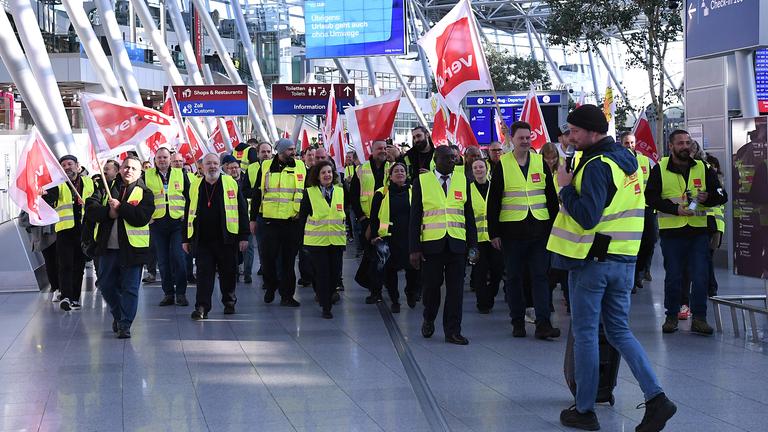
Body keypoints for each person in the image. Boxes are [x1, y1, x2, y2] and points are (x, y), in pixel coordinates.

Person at [548, 105, 676, 431]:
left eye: (575, 131)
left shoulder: (596, 165)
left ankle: (585, 409)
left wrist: (564, 187)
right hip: (624, 260)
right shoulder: (627, 161)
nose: (570, 137)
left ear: (592, 131)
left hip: (593, 262)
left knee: (587, 334)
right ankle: (656, 398)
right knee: (619, 331)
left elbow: (588, 215)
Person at [645, 129, 727, 335]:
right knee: (674, 276)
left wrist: (708, 197)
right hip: (672, 233)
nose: (685, 147)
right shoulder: (660, 168)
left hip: (698, 231)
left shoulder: (703, 167)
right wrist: (675, 209)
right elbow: (650, 198)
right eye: (680, 143)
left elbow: (721, 194)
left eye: (688, 143)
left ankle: (699, 318)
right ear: (671, 146)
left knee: (700, 275)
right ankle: (671, 316)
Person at [488, 121, 561, 340]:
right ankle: (517, 321)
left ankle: (543, 323)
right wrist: (494, 233)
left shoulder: (540, 162)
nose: (526, 141)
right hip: (512, 232)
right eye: (521, 138)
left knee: (540, 276)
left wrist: (554, 227)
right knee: (514, 278)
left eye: (529, 137)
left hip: (539, 229)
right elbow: (494, 201)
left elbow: (550, 198)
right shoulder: (503, 164)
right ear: (512, 139)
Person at [409, 146, 477, 345]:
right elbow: (415, 218)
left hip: (457, 244)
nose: (452, 162)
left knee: (456, 290)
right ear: (436, 159)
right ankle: (429, 318)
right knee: (432, 288)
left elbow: (469, 216)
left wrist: (473, 245)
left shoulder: (463, 180)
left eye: (454, 158)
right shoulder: (422, 181)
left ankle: (453, 330)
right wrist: (414, 248)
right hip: (432, 245)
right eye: (448, 158)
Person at [85, 156, 154, 338]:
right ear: (120, 169)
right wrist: (108, 212)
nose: (128, 171)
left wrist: (121, 207)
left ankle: (125, 324)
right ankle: (118, 314)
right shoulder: (105, 187)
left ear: (140, 172)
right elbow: (90, 209)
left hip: (133, 250)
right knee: (106, 285)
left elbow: (141, 217)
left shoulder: (145, 192)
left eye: (133, 168)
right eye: (126, 167)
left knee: (130, 288)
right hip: (107, 249)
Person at [184, 154, 249, 319]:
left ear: (220, 166)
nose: (212, 166)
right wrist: (185, 238)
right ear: (202, 166)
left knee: (228, 273)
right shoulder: (195, 185)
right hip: (202, 239)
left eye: (215, 163)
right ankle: (201, 307)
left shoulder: (230, 183)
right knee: (204, 274)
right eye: (208, 164)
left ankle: (229, 301)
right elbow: (188, 212)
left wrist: (243, 236)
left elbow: (242, 211)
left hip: (227, 238)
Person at [250, 138, 306, 307]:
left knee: (288, 262)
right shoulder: (265, 167)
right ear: (280, 151)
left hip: (291, 221)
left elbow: (305, 193)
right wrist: (253, 219)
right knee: (268, 259)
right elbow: (257, 194)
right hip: (269, 221)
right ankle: (271, 285)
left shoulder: (300, 167)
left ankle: (287, 295)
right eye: (290, 149)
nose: (293, 152)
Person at [43, 155, 94, 312]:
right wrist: (42, 194)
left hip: (84, 229)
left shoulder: (89, 182)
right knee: (65, 265)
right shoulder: (57, 185)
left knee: (78, 265)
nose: (67, 167)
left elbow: (95, 200)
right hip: (65, 230)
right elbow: (50, 198)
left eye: (70, 164)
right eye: (63, 165)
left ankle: (75, 298)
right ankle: (65, 296)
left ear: (77, 166)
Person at [369, 162, 421, 312]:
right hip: (389, 237)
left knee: (413, 268)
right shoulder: (381, 193)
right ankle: (395, 299)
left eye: (402, 171)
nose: (400, 173)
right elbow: (374, 216)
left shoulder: (413, 190)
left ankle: (411, 292)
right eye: (396, 171)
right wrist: (374, 235)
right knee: (390, 270)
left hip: (410, 237)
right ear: (390, 176)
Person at [298, 160, 346, 318]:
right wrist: (301, 240)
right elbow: (302, 217)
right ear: (317, 176)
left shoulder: (340, 191)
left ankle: (329, 294)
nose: (327, 175)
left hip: (336, 241)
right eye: (324, 172)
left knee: (335, 274)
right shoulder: (310, 192)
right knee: (322, 273)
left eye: (330, 172)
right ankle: (326, 306)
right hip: (317, 242)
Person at [144, 147, 190, 307]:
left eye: (165, 157)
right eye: (159, 158)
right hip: (157, 223)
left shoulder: (180, 173)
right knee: (163, 261)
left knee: (178, 258)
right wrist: (147, 217)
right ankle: (168, 293)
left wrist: (187, 214)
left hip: (177, 222)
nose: (162, 160)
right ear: (154, 160)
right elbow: (142, 197)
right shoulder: (147, 175)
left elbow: (190, 196)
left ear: (170, 159)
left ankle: (181, 293)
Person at [351, 140, 390, 303]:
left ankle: (376, 286)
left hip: (387, 219)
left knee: (382, 256)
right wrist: (361, 218)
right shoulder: (362, 169)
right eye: (379, 148)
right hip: (367, 219)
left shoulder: (392, 167)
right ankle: (375, 289)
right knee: (372, 255)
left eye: (385, 148)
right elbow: (353, 194)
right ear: (372, 151)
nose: (382, 150)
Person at [620, 132, 656, 294]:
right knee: (630, 245)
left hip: (646, 207)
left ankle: (640, 271)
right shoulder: (617, 161)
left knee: (649, 241)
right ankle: (632, 277)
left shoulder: (643, 161)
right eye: (627, 143)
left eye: (632, 143)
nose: (630, 146)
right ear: (622, 145)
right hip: (626, 208)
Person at [468, 158, 503, 313]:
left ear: (487, 169)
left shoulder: (495, 188)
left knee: (497, 270)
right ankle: (483, 303)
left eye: (481, 166)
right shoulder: (468, 190)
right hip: (477, 240)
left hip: (494, 237)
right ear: (472, 171)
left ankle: (491, 293)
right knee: (480, 273)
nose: (479, 170)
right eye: (476, 167)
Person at [540, 142, 570, 313]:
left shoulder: (561, 171)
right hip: (546, 223)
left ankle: (568, 298)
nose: (550, 161)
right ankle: (547, 301)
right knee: (550, 267)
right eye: (547, 158)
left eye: (553, 158)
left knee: (563, 266)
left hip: (562, 222)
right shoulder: (538, 171)